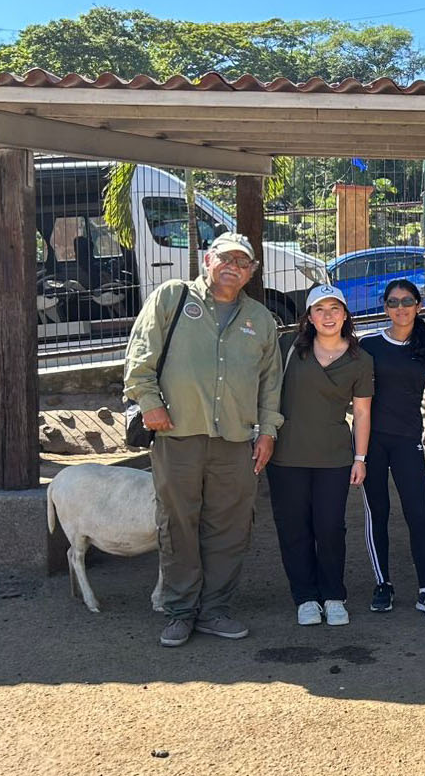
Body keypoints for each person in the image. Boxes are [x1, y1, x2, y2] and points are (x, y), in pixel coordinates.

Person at [123, 232, 282, 648]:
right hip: (177, 433)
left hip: (235, 440)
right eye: (225, 258)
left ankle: (214, 609)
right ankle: (179, 610)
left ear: (251, 273)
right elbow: (139, 355)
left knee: (230, 528)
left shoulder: (261, 321)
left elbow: (270, 386)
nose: (234, 266)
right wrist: (149, 403)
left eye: (243, 262)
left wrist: (267, 432)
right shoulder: (172, 298)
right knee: (178, 524)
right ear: (207, 259)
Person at [268, 284, 373, 627]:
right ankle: (306, 597)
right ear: (309, 317)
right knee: (294, 528)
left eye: (335, 309)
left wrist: (360, 458)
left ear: (345, 314)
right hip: (286, 456)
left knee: (330, 527)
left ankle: (333, 594)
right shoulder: (286, 349)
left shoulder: (360, 360)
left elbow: (362, 414)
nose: (328, 316)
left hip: (335, 457)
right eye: (320, 310)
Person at [360, 279, 425, 620]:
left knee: (418, 515)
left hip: (409, 441)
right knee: (377, 513)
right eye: (394, 302)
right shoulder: (368, 346)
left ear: (419, 305)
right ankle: (382, 583)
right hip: (372, 443)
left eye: (407, 301)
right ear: (385, 307)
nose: (401, 308)